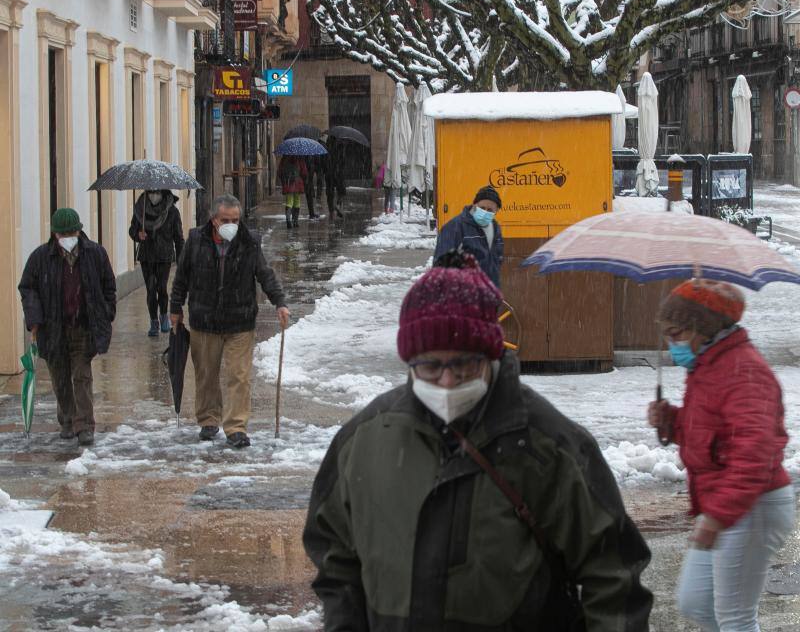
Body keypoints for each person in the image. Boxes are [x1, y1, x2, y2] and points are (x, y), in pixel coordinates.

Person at [304, 252, 653, 630]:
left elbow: (613, 573)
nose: (448, 381)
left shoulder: (550, 445)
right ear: (410, 361)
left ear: (491, 356)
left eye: (464, 364)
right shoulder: (365, 440)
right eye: (431, 365)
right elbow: (335, 556)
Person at [648, 279, 795, 632]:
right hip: (725, 503)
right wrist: (673, 420)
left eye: (676, 332)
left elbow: (754, 454)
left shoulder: (745, 372)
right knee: (696, 602)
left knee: (735, 617)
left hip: (752, 505)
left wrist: (717, 516)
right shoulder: (708, 365)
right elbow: (714, 434)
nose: (672, 343)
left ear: (703, 327)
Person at [169, 194, 290, 449]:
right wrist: (175, 308)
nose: (231, 224)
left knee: (239, 376)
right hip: (205, 320)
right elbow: (182, 276)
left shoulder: (249, 242)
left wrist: (280, 302)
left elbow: (264, 274)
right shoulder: (195, 241)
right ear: (214, 220)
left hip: (240, 320)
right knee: (206, 375)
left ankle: (236, 427)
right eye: (226, 219)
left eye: (235, 219)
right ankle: (209, 419)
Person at [18, 208, 116, 446]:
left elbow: (108, 286)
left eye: (73, 232)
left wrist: (106, 313)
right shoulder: (41, 257)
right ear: (55, 235)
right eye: (63, 234)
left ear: (79, 230)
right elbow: (27, 288)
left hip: (83, 326)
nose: (69, 237)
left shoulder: (95, 253)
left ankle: (85, 425)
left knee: (82, 376)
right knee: (60, 378)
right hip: (54, 328)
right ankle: (68, 420)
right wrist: (34, 319)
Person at [128, 190, 184, 336]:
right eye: (151, 191)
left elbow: (178, 237)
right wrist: (138, 235)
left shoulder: (172, 212)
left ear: (163, 193)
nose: (154, 195)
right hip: (146, 255)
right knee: (151, 289)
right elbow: (132, 229)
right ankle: (154, 321)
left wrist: (181, 260)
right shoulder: (141, 208)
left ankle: (164, 315)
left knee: (161, 287)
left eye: (157, 192)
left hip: (164, 256)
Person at [434, 185, 504, 288]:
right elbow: (441, 265)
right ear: (475, 205)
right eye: (482, 208)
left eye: (490, 210)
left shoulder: (495, 227)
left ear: (496, 211)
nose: (485, 212)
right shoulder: (454, 227)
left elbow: (496, 260)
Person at [277, 156, 308, 228]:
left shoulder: (284, 158)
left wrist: (284, 179)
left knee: (289, 202)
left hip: (288, 183)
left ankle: (288, 221)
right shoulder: (300, 158)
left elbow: (279, 172)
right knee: (297, 202)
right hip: (297, 183)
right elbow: (304, 172)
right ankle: (295, 221)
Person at [324, 137, 346, 220]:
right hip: (338, 173)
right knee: (341, 191)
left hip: (329, 173)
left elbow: (323, 161)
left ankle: (331, 211)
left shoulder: (326, 147)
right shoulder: (341, 146)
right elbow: (343, 161)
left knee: (330, 193)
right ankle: (337, 205)